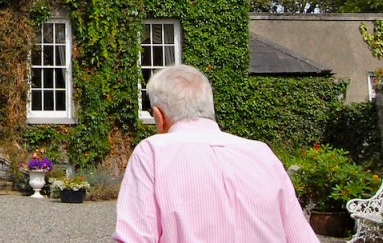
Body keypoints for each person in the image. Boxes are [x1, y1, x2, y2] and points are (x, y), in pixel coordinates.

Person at [113, 64, 318, 243]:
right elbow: (302, 237)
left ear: (159, 116)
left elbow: (135, 238)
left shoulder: (153, 152)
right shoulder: (261, 153)